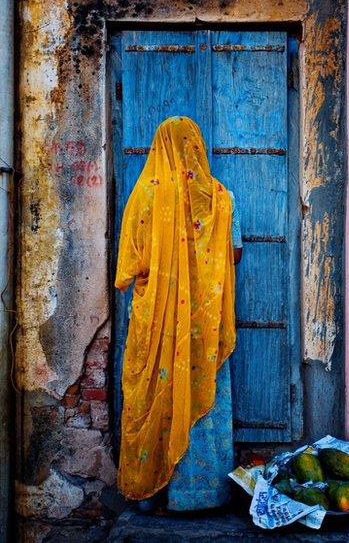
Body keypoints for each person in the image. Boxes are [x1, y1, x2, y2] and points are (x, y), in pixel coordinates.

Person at [114, 116, 242, 510]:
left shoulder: (145, 196)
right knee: (202, 395)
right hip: (204, 323)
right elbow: (235, 255)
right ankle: (202, 495)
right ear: (198, 148)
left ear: (159, 147)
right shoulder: (221, 198)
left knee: (152, 393)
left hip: (157, 323)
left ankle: (150, 494)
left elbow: (128, 268)